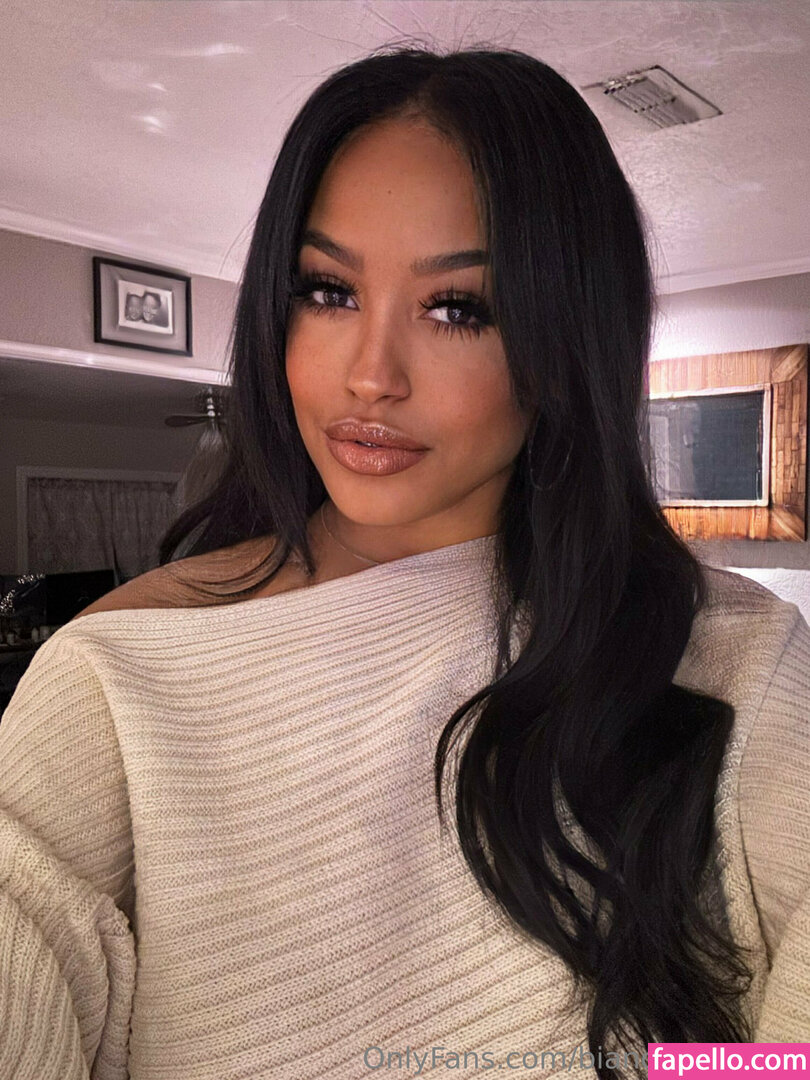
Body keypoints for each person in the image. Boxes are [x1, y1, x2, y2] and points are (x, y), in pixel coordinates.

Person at [1, 44, 808, 1080]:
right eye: (328, 291)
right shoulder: (117, 679)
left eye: (458, 308)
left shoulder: (732, 659)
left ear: (567, 344)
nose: (370, 375)